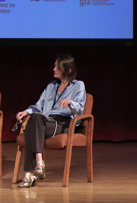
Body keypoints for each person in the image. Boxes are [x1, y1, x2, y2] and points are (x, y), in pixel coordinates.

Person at [14, 54, 86, 188]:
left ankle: (29, 173)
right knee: (35, 118)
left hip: (63, 123)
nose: (54, 69)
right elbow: (39, 106)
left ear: (68, 70)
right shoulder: (51, 86)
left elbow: (80, 107)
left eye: (57, 67)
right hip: (45, 121)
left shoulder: (78, 85)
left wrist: (70, 102)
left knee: (31, 128)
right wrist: (26, 112)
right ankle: (38, 163)